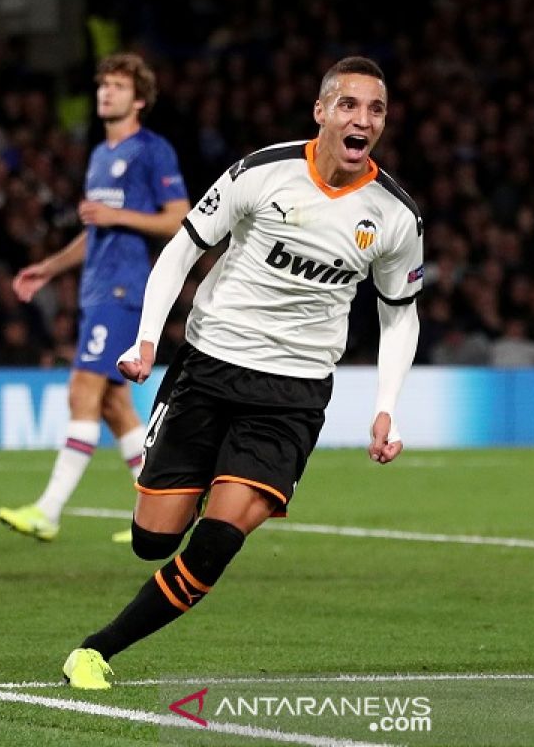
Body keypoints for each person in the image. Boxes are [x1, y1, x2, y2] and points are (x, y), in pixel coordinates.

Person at [62, 56, 423, 689]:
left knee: (219, 539)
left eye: (376, 110)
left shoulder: (394, 217)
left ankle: (97, 650)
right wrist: (147, 342)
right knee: (153, 540)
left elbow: (400, 316)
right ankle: (198, 478)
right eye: (348, 105)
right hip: (210, 367)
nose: (361, 119)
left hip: (293, 392)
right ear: (321, 112)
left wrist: (386, 405)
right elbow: (181, 250)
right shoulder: (264, 172)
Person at [0, 53, 190, 543]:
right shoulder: (100, 156)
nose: (106, 92)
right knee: (114, 406)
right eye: (103, 84)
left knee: (82, 391)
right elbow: (94, 231)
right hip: (96, 287)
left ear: (139, 99)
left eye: (119, 86)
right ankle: (163, 512)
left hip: (125, 288)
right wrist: (49, 266)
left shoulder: (153, 151)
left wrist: (118, 218)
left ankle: (48, 510)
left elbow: (178, 218)